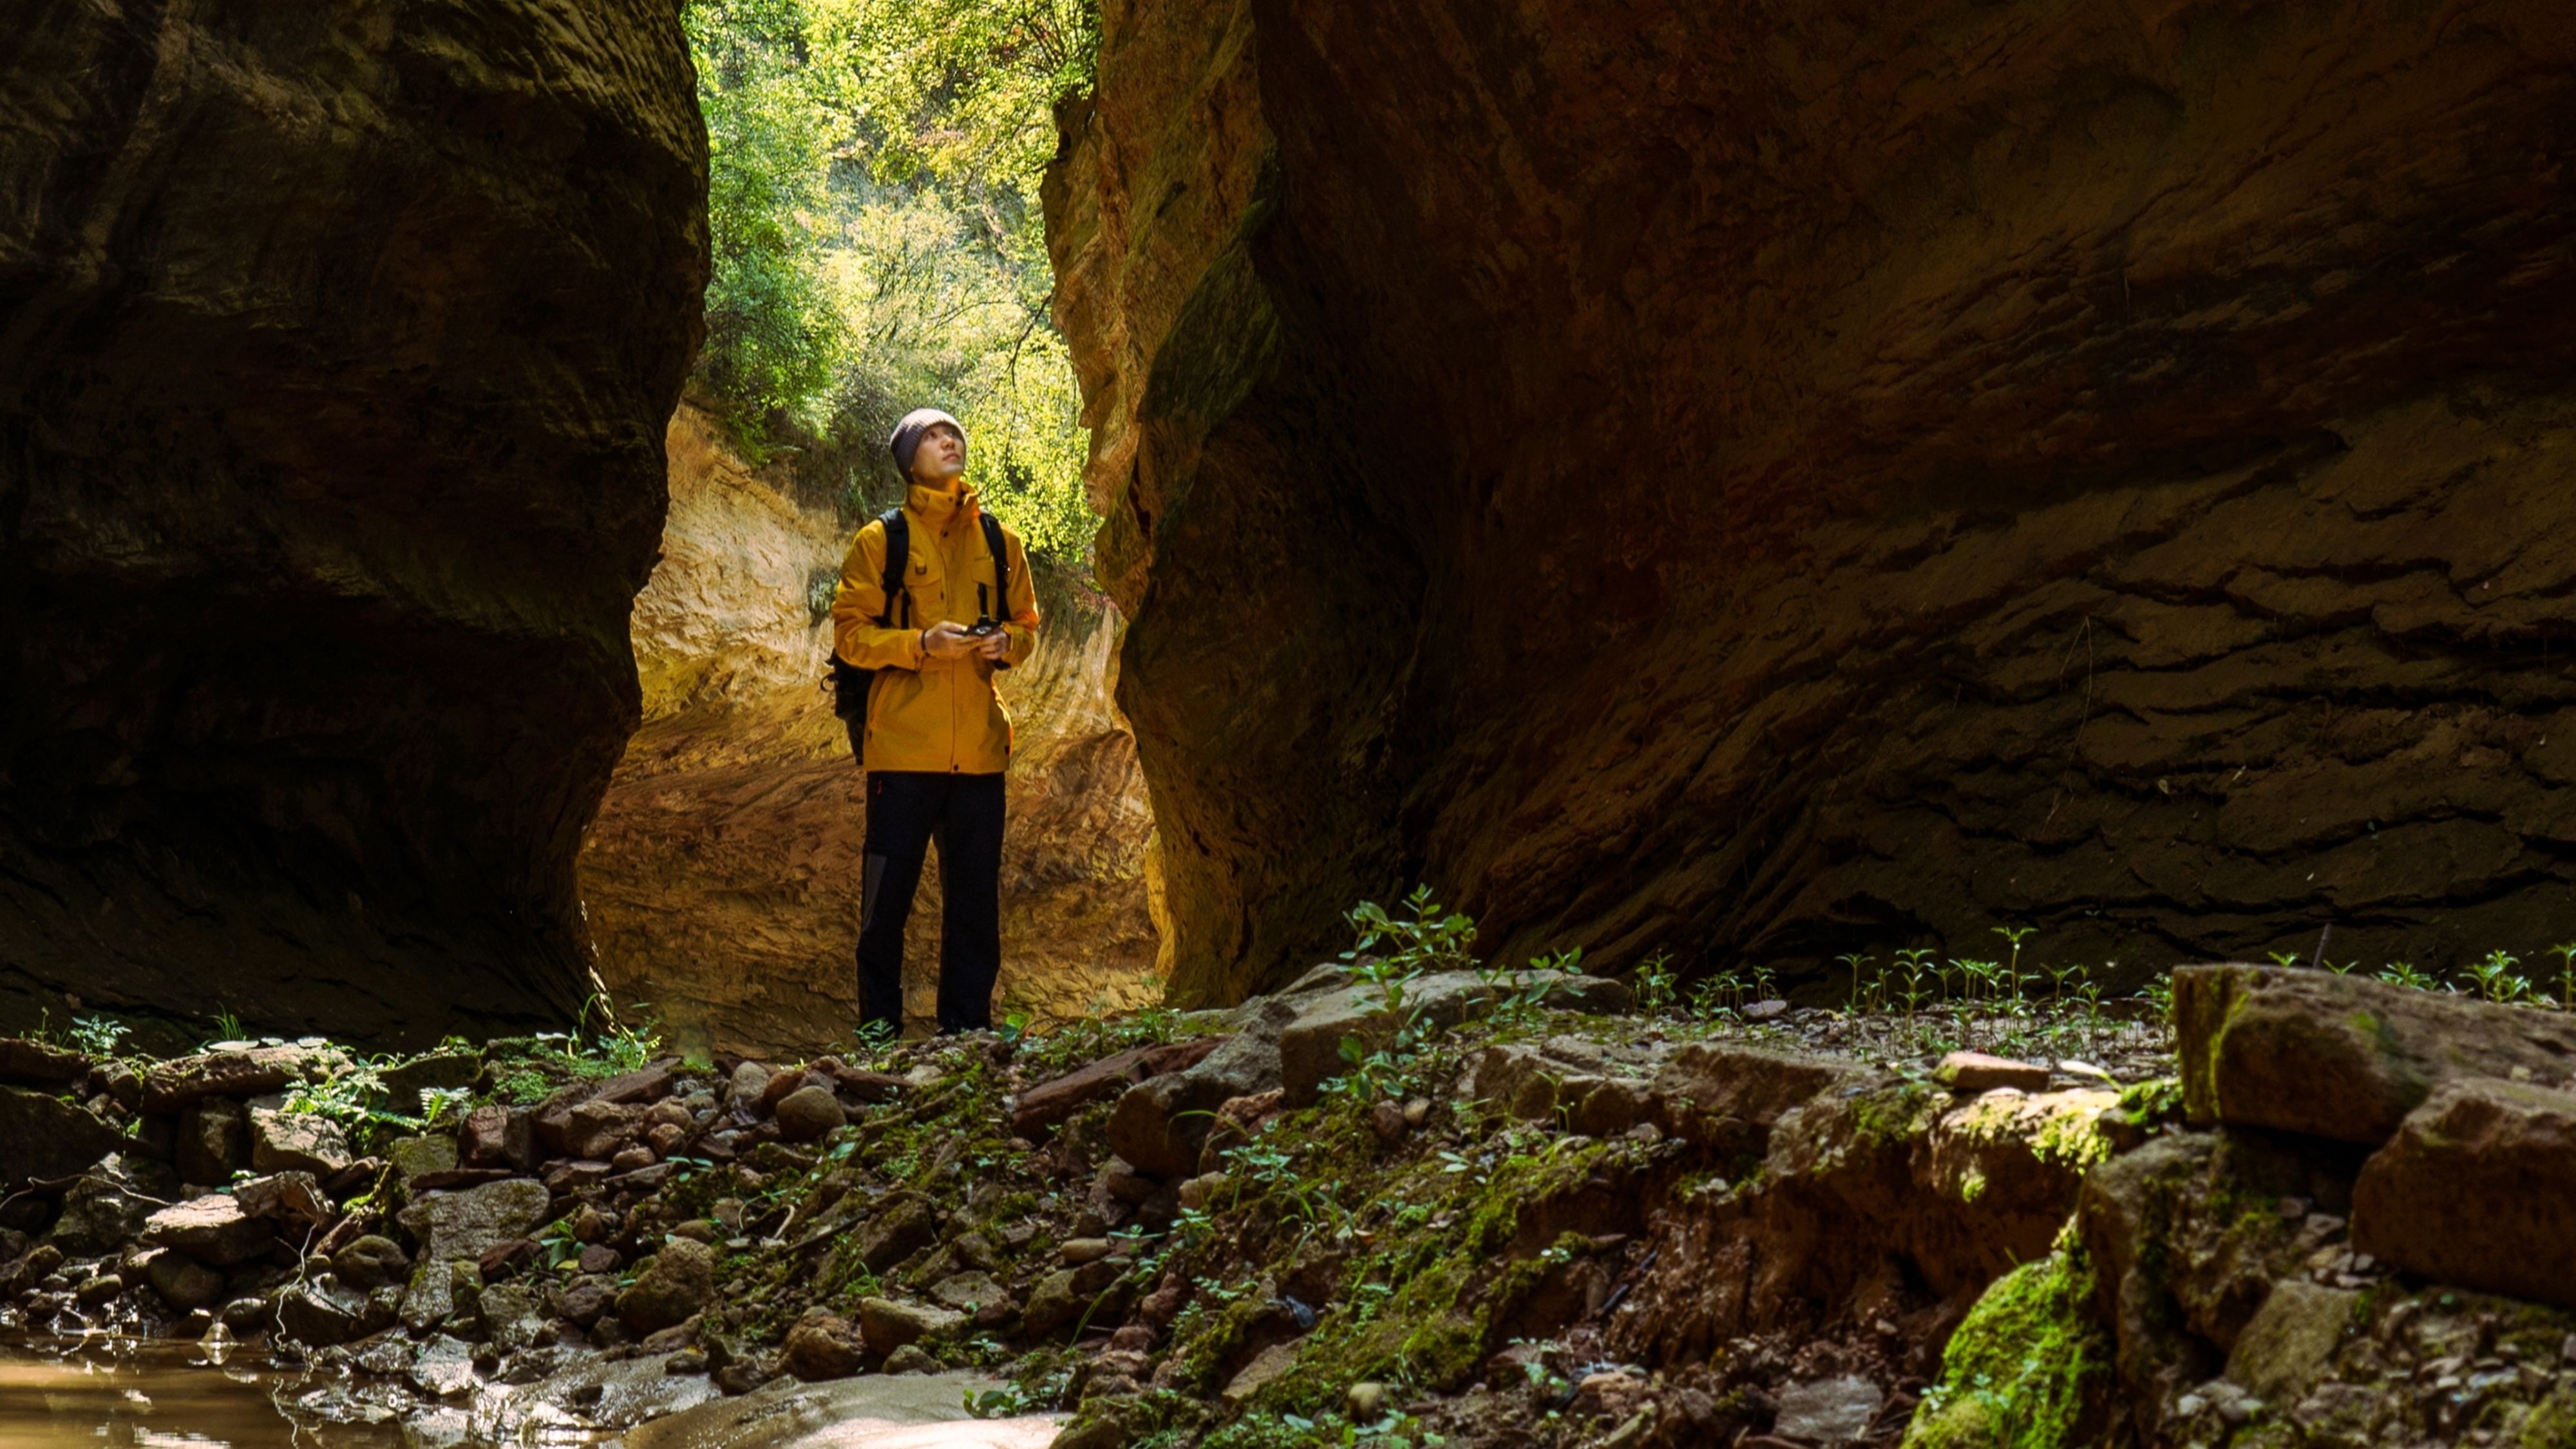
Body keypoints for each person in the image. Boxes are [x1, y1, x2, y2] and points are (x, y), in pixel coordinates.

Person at [829, 408, 1041, 1035]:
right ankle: (878, 1041)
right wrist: (922, 643)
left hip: (979, 753)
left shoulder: (1001, 541)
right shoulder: (881, 541)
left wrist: (1007, 643)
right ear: (908, 460)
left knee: (975, 910)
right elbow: (849, 635)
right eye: (932, 436)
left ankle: (965, 1040)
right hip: (901, 752)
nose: (948, 441)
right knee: (884, 907)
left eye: (954, 434)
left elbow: (1028, 625)